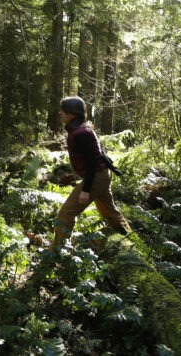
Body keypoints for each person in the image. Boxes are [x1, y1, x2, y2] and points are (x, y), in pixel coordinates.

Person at [50, 96, 131, 249]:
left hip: (96, 176)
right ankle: (127, 237)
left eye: (64, 110)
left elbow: (92, 162)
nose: (60, 113)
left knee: (65, 214)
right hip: (101, 175)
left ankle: (57, 252)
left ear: (72, 114)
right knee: (109, 210)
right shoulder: (80, 130)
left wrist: (86, 190)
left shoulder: (81, 134)